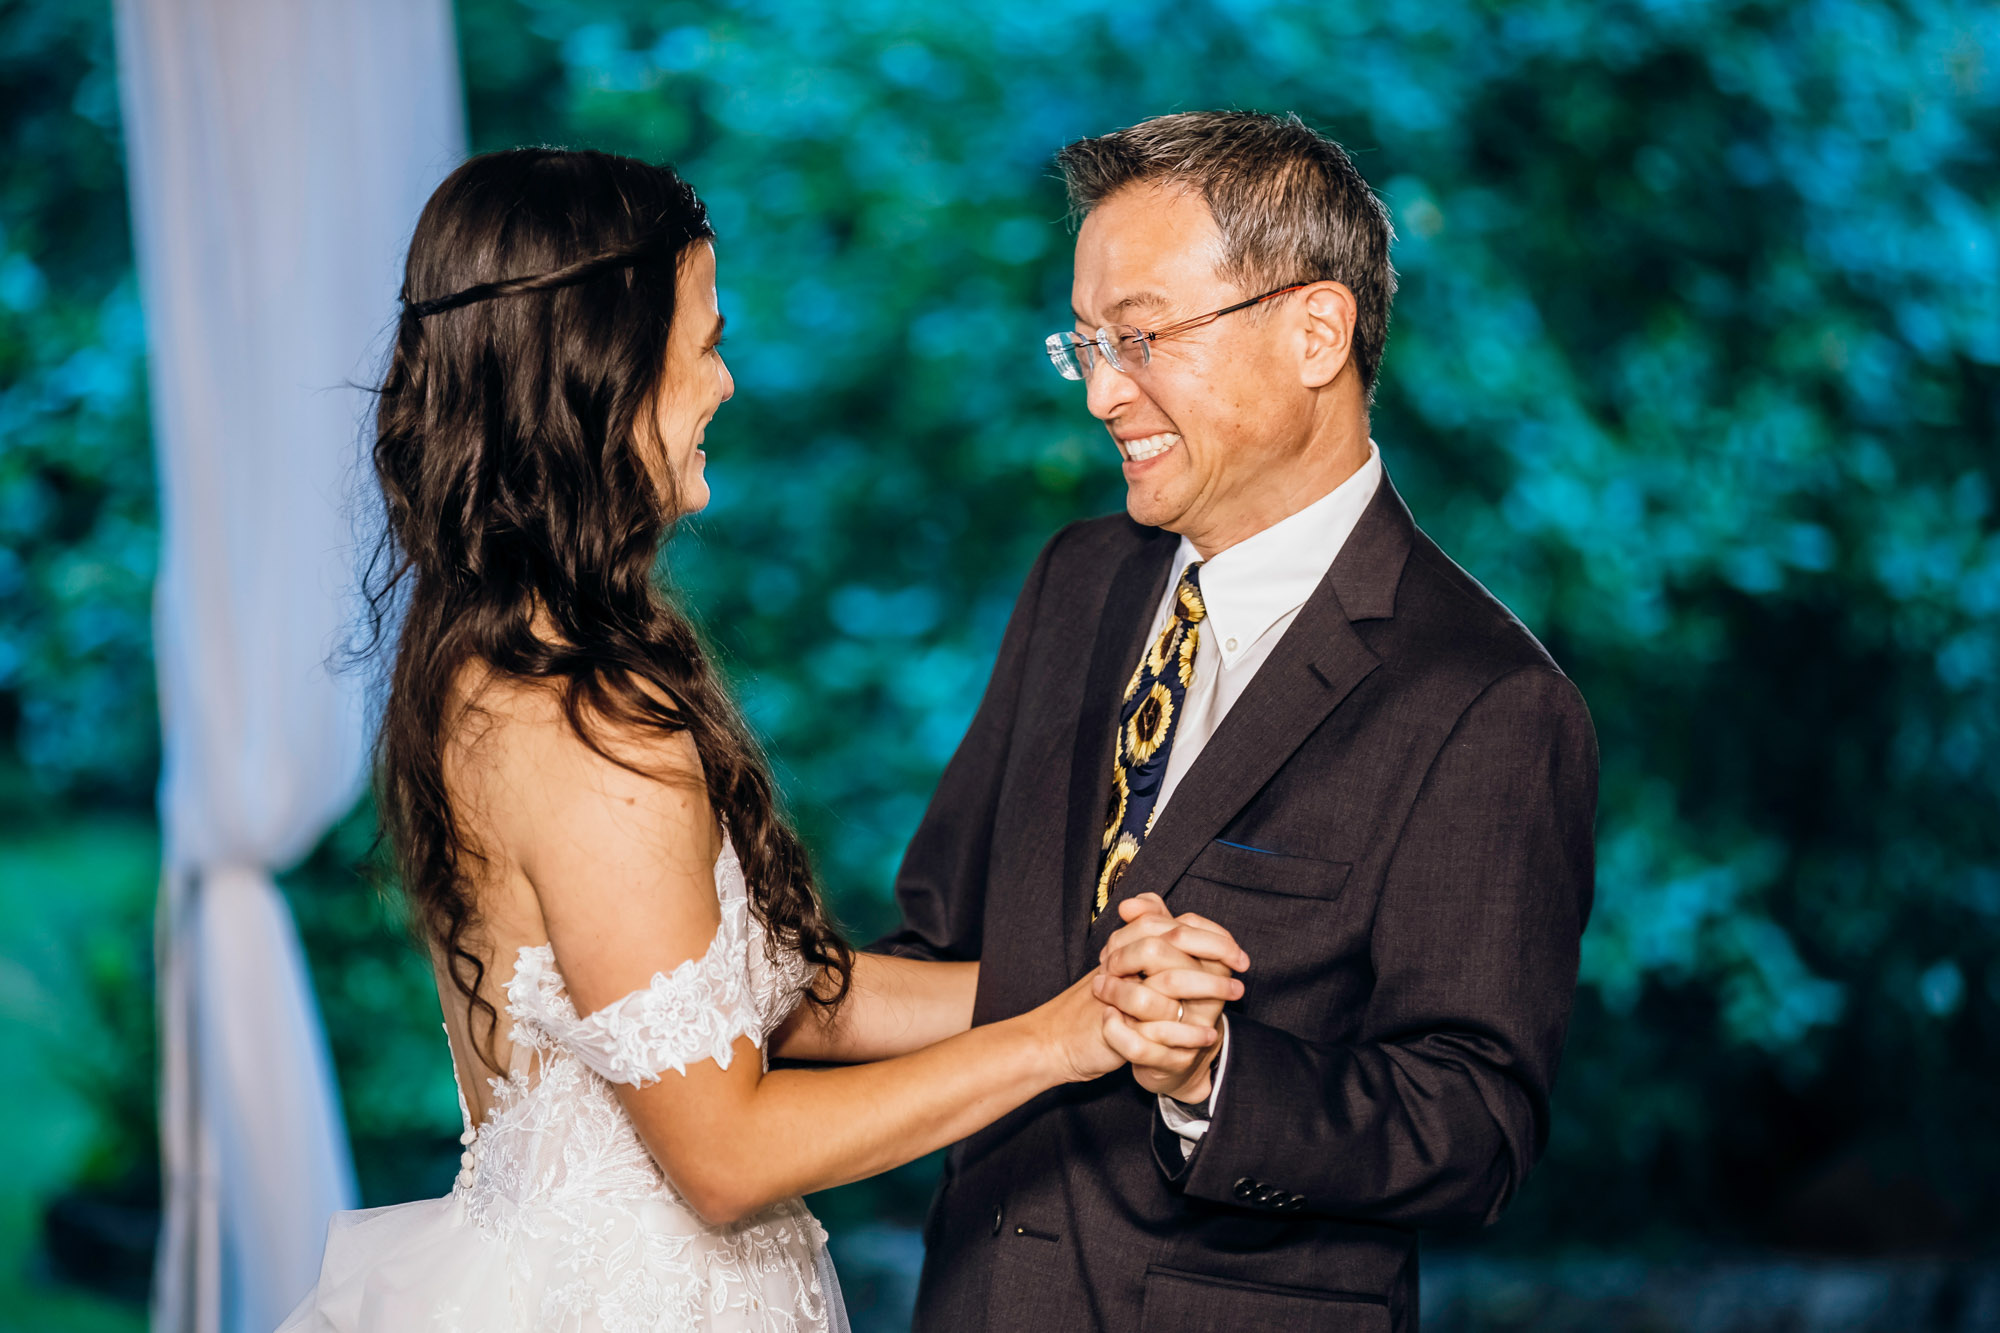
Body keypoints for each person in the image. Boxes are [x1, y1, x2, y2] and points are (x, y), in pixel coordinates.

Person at [277, 147, 1238, 1333]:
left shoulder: (486, 656)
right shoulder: (583, 722)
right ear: (600, 369)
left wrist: (1085, 984)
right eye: (704, 342)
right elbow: (722, 1152)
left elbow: (770, 1003)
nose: (725, 383)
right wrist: (1064, 1037)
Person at [878, 111, 1600, 1331]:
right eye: (1087, 344)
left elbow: (1473, 1127)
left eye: (1143, 337)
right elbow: (939, 958)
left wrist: (1213, 1076)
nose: (1104, 392)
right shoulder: (1075, 580)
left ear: (1315, 332)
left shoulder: (1488, 701)